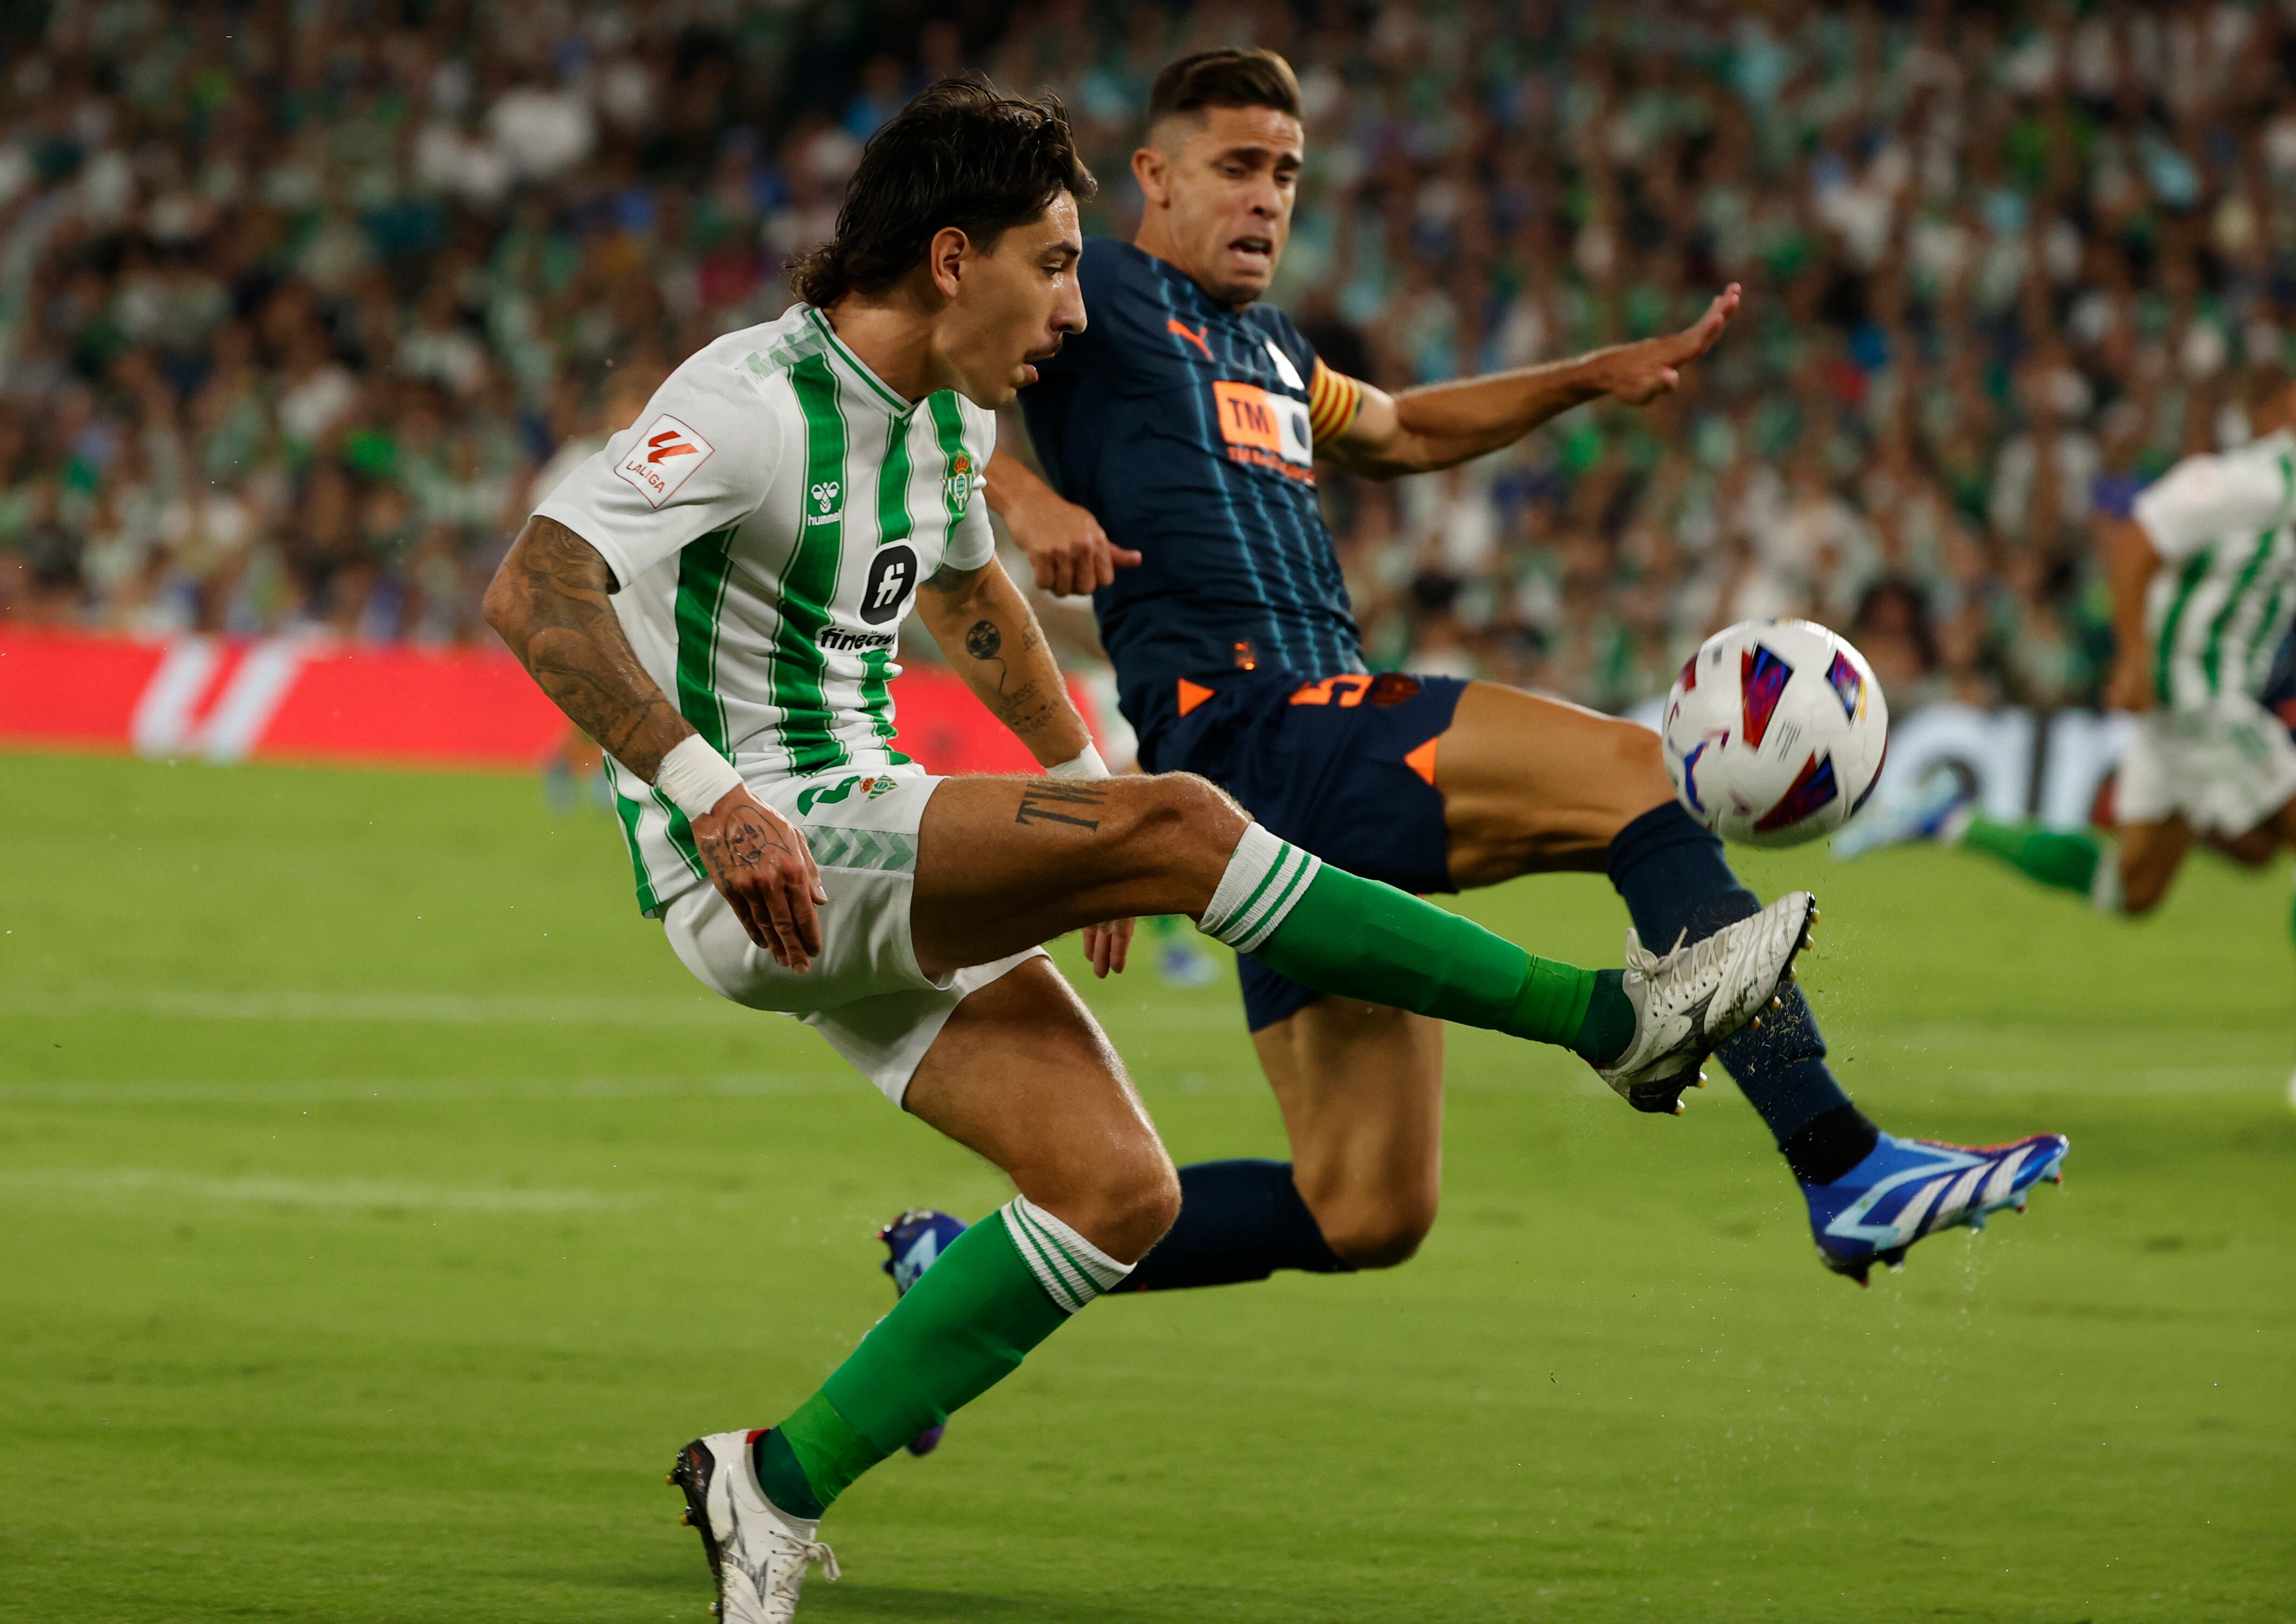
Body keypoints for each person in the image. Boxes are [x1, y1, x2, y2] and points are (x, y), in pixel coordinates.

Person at [481, 83, 1812, 1623]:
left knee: (1121, 1192)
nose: (1072, 305)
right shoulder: (748, 403)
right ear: (952, 257)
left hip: (861, 832)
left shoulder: (948, 419)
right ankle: (1618, 1019)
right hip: (763, 843)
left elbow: (973, 598)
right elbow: (536, 587)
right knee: (1187, 824)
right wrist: (715, 794)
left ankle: (768, 1480)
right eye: (1053, 266)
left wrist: (1071, 775)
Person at [932, 49, 2063, 1306]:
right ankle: (1842, 1161)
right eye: (1238, 168)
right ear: (1153, 173)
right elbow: (930, 390)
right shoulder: (1089, 296)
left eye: (1287, 174)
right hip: (1260, 727)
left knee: (1364, 1203)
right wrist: (1028, 501)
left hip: (1291, 771)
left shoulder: (1270, 348)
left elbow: (1405, 429)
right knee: (1643, 774)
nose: (1266, 199)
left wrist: (1587, 377)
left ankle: (963, 1269)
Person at [1841, 371, 2296, 946]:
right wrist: (2133, 659)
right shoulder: (2252, 480)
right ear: (2273, 412)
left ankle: (1948, 819)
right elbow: (2140, 538)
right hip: (2193, 694)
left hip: (2193, 702)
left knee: (2131, 888)